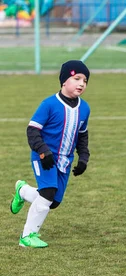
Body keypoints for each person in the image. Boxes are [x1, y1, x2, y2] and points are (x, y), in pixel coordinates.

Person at [10, 60, 91, 248]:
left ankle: (22, 191)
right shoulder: (49, 104)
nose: (81, 84)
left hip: (65, 161)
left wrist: (84, 158)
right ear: (64, 81)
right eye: (76, 78)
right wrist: (43, 151)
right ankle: (27, 237)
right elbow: (32, 130)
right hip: (44, 157)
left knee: (52, 202)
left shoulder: (84, 108)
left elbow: (82, 135)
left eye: (85, 81)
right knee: (47, 194)